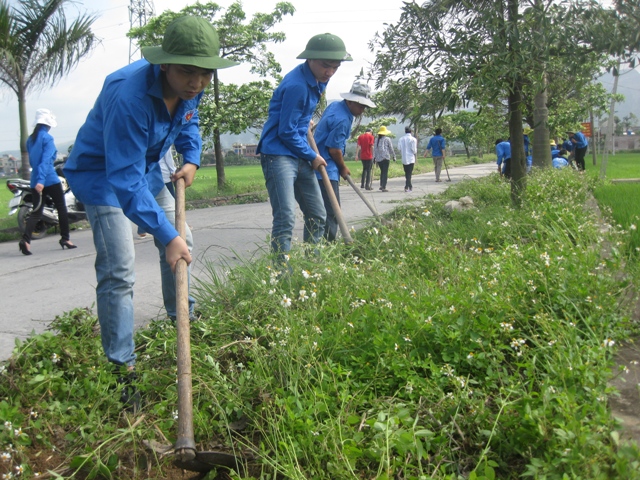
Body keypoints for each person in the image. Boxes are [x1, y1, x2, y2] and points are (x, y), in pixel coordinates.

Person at [63, 16, 238, 410]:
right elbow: (122, 179)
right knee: (120, 268)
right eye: (187, 72)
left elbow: (187, 125)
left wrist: (191, 160)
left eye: (205, 74)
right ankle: (120, 370)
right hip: (102, 176)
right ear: (164, 65)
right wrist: (165, 235)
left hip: (146, 169)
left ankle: (183, 325)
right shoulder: (129, 97)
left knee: (183, 241)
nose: (196, 83)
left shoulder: (191, 88)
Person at [257, 33, 352, 261]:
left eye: (335, 67)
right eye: (325, 66)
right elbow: (285, 130)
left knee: (318, 215)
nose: (329, 72)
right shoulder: (297, 85)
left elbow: (295, 120)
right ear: (310, 59)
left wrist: (304, 121)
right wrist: (312, 155)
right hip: (278, 154)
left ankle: (313, 266)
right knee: (285, 217)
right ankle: (281, 274)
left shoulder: (319, 80)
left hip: (299, 152)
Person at [314, 80, 375, 241]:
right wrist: (342, 167)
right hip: (325, 169)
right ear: (350, 101)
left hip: (321, 163)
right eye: (360, 106)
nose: (362, 110)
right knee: (332, 212)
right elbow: (334, 149)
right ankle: (328, 249)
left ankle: (322, 245)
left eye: (364, 107)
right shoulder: (343, 119)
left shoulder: (335, 106)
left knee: (325, 211)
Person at [19, 109, 77, 255]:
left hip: (35, 179)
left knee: (36, 212)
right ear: (48, 124)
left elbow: (34, 162)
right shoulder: (48, 138)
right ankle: (65, 238)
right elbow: (45, 161)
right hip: (49, 178)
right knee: (61, 208)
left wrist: (37, 179)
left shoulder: (30, 140)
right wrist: (42, 180)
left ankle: (25, 241)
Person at [373, 126, 395, 192]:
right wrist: (394, 156)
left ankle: (381, 185)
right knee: (385, 172)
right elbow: (391, 148)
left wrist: (374, 158)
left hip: (379, 159)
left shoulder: (376, 140)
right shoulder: (387, 139)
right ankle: (383, 186)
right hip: (385, 158)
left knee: (382, 171)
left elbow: (375, 150)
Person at [398, 126, 418, 192]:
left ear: (405, 131)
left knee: (407, 172)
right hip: (411, 158)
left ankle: (408, 186)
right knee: (409, 173)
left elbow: (399, 148)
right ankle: (408, 186)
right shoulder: (413, 139)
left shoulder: (401, 139)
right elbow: (414, 150)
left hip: (404, 158)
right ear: (411, 131)